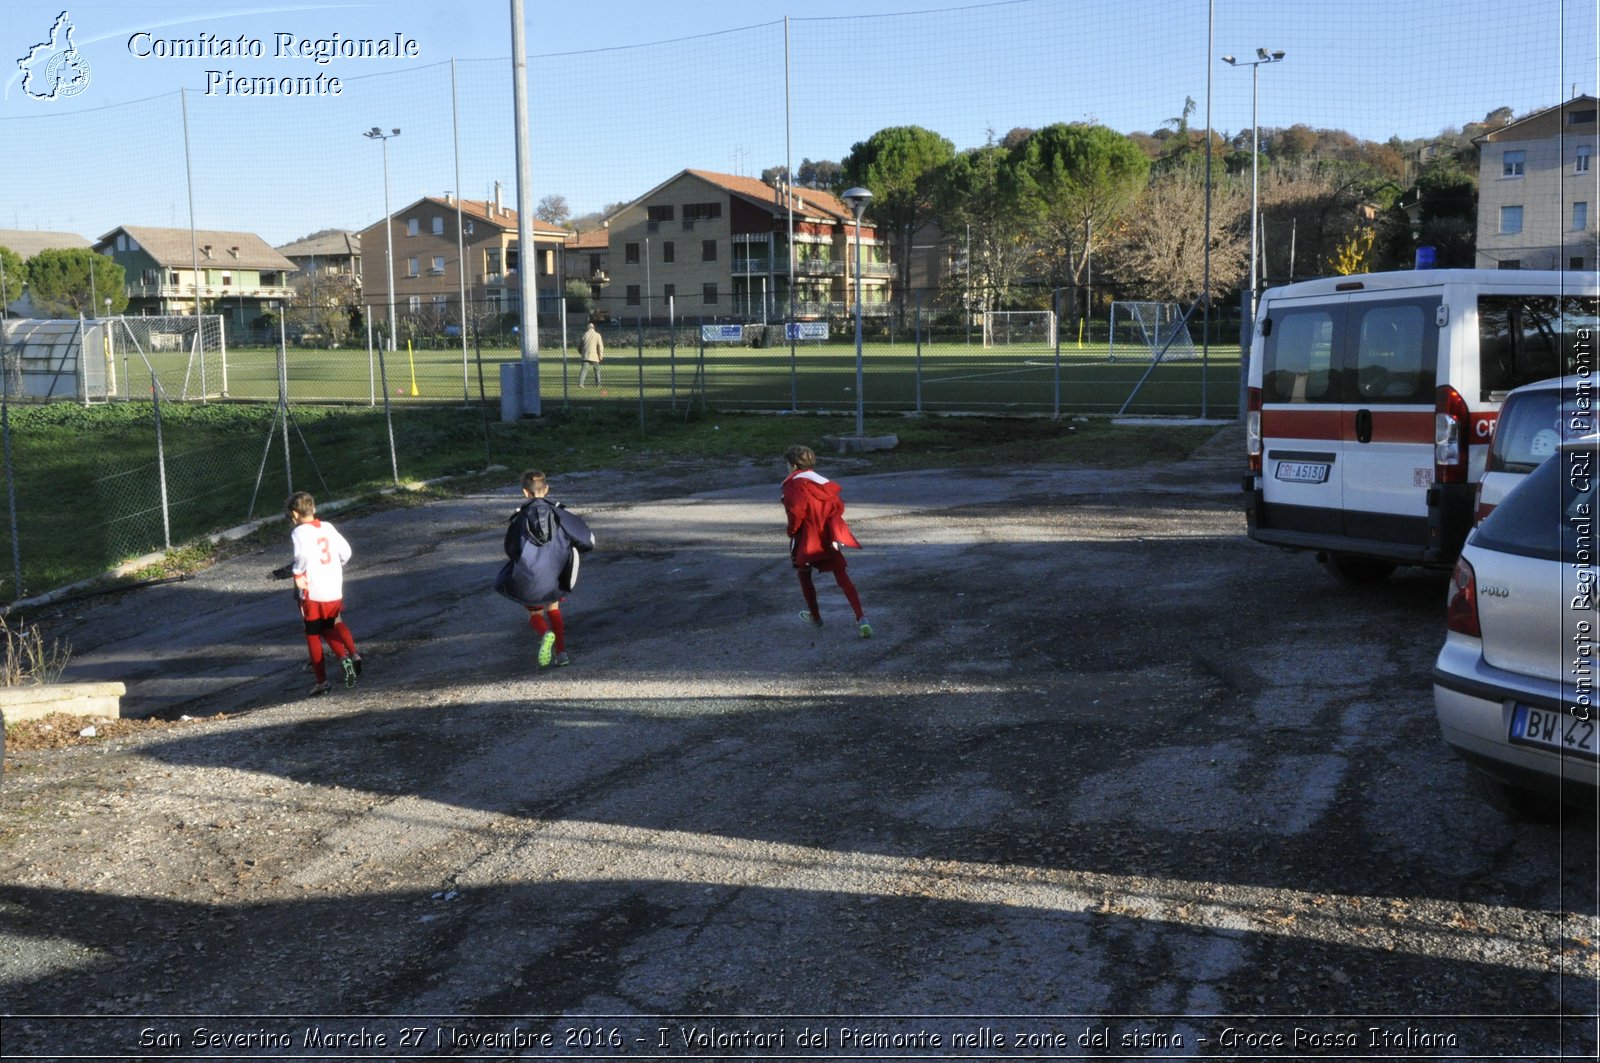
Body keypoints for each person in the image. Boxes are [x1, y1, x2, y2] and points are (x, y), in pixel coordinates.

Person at [495, 470, 596, 668]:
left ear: (525, 492)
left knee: (535, 614)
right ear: (547, 489)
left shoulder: (519, 519)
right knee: (554, 608)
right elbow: (585, 540)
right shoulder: (560, 513)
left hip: (530, 575)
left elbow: (511, 549)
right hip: (555, 573)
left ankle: (545, 633)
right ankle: (561, 654)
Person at [275, 491, 362, 696]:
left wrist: (297, 574)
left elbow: (302, 556)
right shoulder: (329, 527)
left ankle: (322, 682)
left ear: (295, 514)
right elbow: (346, 552)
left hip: (313, 590)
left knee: (313, 634)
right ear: (313, 509)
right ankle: (345, 657)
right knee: (330, 625)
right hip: (334, 587)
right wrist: (335, 566)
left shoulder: (299, 533)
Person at [781, 444, 872, 638]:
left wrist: (792, 530)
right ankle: (861, 617)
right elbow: (838, 508)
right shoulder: (823, 483)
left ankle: (816, 617)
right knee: (842, 575)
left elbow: (796, 510)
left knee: (804, 574)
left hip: (806, 537)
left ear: (794, 466)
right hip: (828, 536)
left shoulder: (793, 484)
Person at [577, 321, 605, 387]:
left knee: (583, 370)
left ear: (588, 328)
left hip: (585, 355)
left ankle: (581, 384)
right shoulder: (597, 335)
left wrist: (581, 352)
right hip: (595, 356)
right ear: (593, 328)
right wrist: (600, 356)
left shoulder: (584, 334)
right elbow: (600, 346)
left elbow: (579, 346)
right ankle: (598, 384)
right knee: (597, 370)